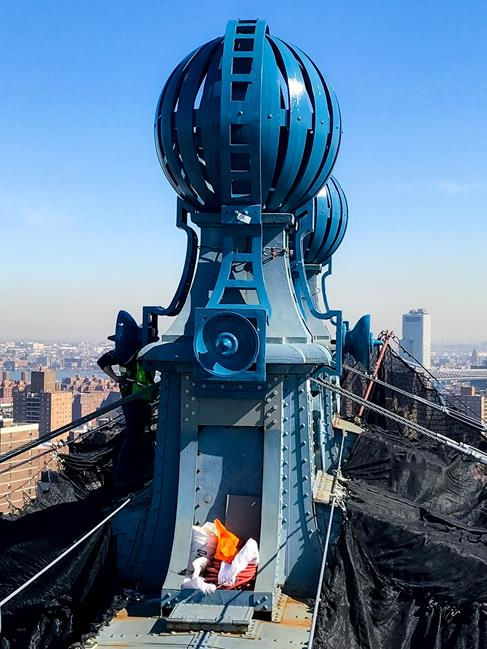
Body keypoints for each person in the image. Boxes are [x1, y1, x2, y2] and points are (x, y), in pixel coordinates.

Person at [98, 310, 155, 492]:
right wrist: (116, 378)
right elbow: (102, 361)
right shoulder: (135, 352)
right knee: (134, 435)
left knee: (137, 433)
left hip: (137, 396)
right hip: (135, 397)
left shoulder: (126, 352)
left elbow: (103, 361)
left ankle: (132, 472)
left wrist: (115, 378)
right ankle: (125, 475)